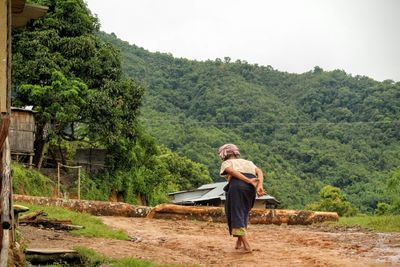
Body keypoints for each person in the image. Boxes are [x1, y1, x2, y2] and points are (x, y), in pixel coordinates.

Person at [218, 143, 265, 252]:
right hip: (251, 188)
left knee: (236, 213)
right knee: (243, 212)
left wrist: (247, 180)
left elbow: (232, 171)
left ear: (224, 155)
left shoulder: (227, 163)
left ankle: (247, 245)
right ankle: (239, 242)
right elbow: (259, 172)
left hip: (237, 187)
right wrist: (260, 185)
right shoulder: (248, 162)